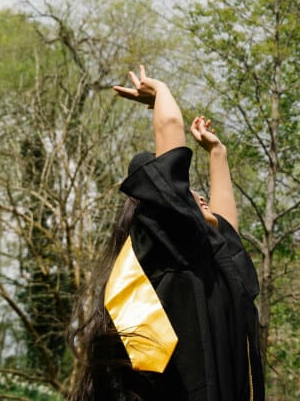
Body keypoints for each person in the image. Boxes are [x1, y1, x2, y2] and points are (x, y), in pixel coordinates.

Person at [69, 66, 264, 400]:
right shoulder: (166, 249)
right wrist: (161, 92)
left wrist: (218, 154)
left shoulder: (216, 271)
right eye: (189, 193)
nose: (199, 196)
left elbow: (228, 232)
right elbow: (169, 157)